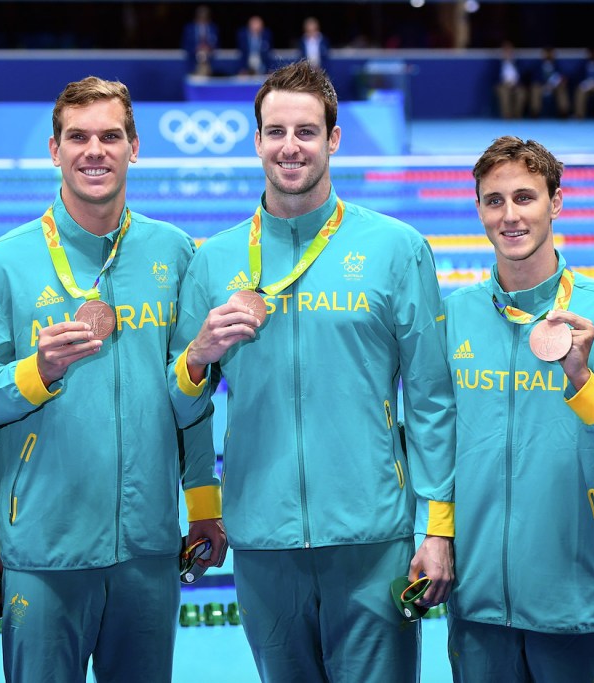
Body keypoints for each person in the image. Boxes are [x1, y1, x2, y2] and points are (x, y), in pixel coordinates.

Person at [168, 60, 456, 683]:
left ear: (333, 138)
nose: (289, 146)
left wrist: (438, 527)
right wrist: (196, 360)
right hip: (264, 537)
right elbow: (181, 407)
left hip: (371, 535)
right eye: (275, 132)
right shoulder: (213, 259)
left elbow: (432, 400)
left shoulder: (395, 248)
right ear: (256, 141)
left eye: (305, 131)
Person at [0, 76, 226, 682]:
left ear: (135, 146)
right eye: (77, 137)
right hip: (44, 548)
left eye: (111, 136)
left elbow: (192, 393)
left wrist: (203, 502)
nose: (94, 151)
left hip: (148, 546)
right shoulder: (2, 263)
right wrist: (39, 370)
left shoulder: (175, 252)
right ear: (54, 150)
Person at [444, 136, 594, 682]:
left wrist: (583, 381)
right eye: (494, 200)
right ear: (478, 208)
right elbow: (432, 446)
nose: (510, 216)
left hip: (576, 604)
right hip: (476, 606)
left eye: (525, 197)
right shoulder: (453, 316)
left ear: (556, 202)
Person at [529, 47, 570, 118]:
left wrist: (556, 83)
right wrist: (544, 85)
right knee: (535, 88)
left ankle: (564, 112)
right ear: (543, 54)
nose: (548, 55)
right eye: (546, 53)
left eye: (550, 53)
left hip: (554, 87)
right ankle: (535, 113)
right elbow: (535, 79)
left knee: (561, 88)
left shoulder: (557, 65)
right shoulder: (537, 65)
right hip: (542, 86)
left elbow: (563, 77)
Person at [182, 4, 219, 76]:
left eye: (205, 16)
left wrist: (209, 48)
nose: (203, 17)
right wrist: (196, 49)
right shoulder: (189, 28)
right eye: (201, 15)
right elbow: (185, 44)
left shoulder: (213, 28)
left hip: (210, 60)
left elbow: (217, 44)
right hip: (193, 61)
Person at [495, 40, 527, 119]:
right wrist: (504, 83)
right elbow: (495, 78)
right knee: (503, 92)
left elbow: (522, 75)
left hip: (516, 85)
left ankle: (517, 116)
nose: (507, 52)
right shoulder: (498, 63)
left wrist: (516, 83)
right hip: (503, 85)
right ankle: (507, 116)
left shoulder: (518, 62)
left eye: (509, 50)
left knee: (521, 92)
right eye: (505, 50)